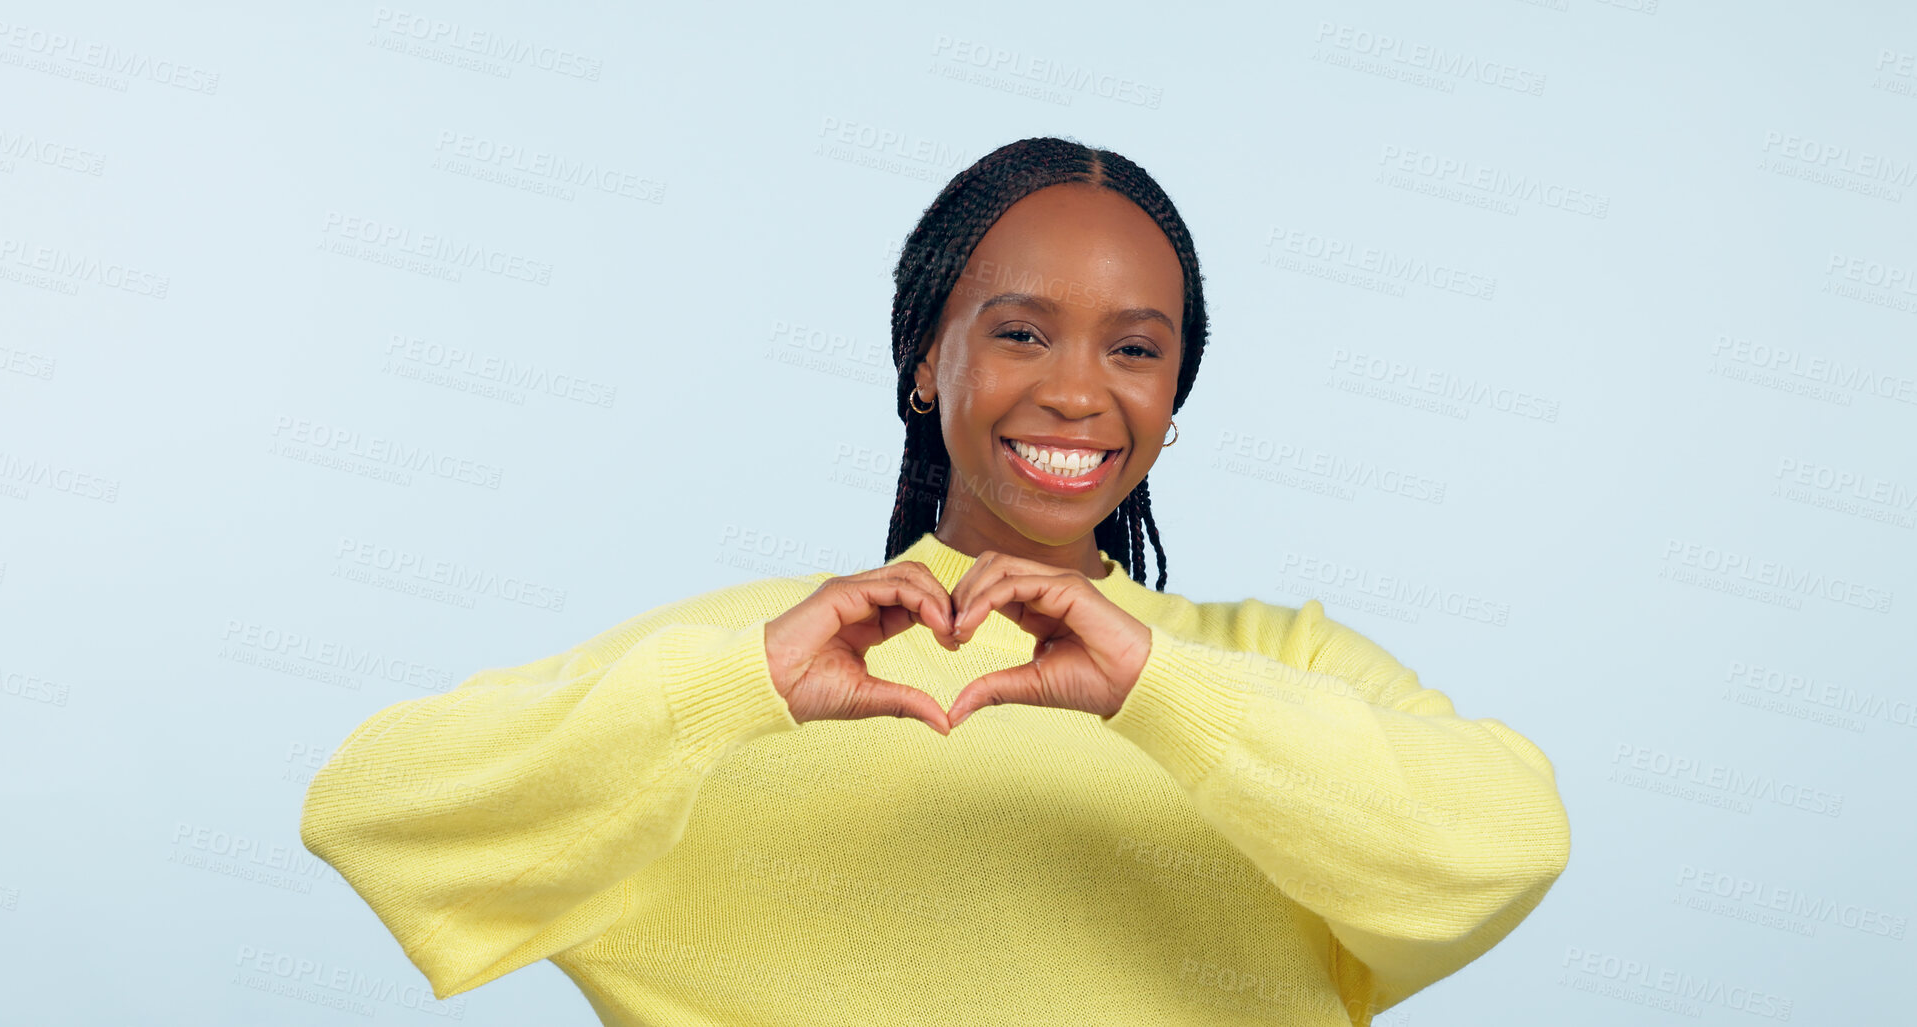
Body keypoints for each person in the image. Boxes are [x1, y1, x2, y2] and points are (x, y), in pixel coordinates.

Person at [299, 136, 1571, 1026]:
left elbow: (1510, 842)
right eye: (1021, 330)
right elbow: (373, 804)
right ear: (926, 359)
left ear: (1173, 397)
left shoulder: (1275, 665)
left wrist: (1162, 691)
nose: (1078, 389)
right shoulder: (756, 656)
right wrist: (721, 698)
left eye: (1135, 348)